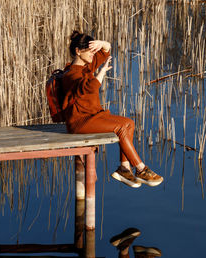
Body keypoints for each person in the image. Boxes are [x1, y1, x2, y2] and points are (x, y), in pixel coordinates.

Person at [61, 31, 163, 188]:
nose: (93, 55)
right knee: (121, 127)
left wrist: (101, 43)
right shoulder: (71, 75)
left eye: (93, 51)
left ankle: (124, 168)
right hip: (79, 123)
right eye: (90, 51)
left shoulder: (86, 66)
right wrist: (100, 73)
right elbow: (89, 89)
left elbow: (106, 50)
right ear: (78, 51)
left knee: (129, 123)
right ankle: (141, 168)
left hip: (93, 116)